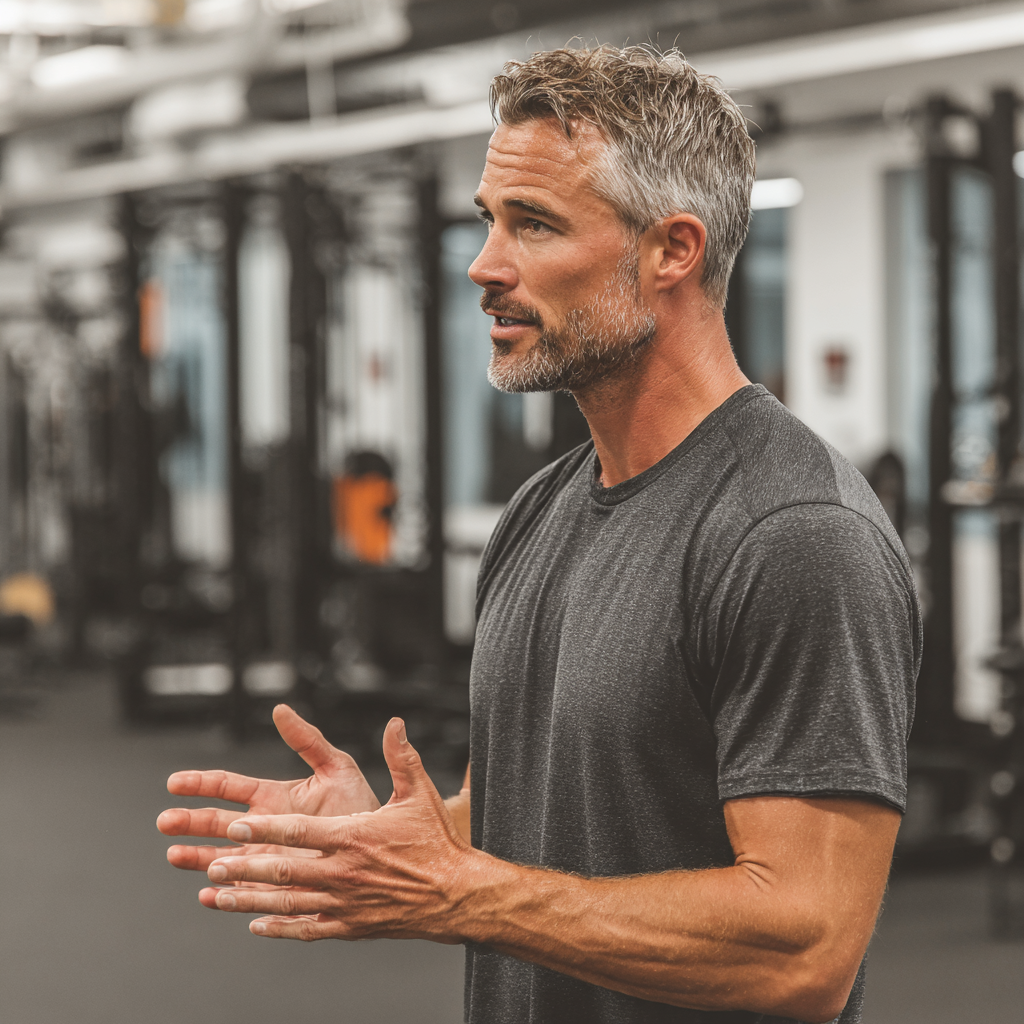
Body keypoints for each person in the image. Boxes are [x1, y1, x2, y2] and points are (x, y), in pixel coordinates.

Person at [158, 46, 919, 1024]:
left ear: (671, 250)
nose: (484, 265)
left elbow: (805, 947)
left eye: (534, 224)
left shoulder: (791, 534)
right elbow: (530, 819)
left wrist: (461, 893)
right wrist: (402, 837)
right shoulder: (540, 510)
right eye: (489, 221)